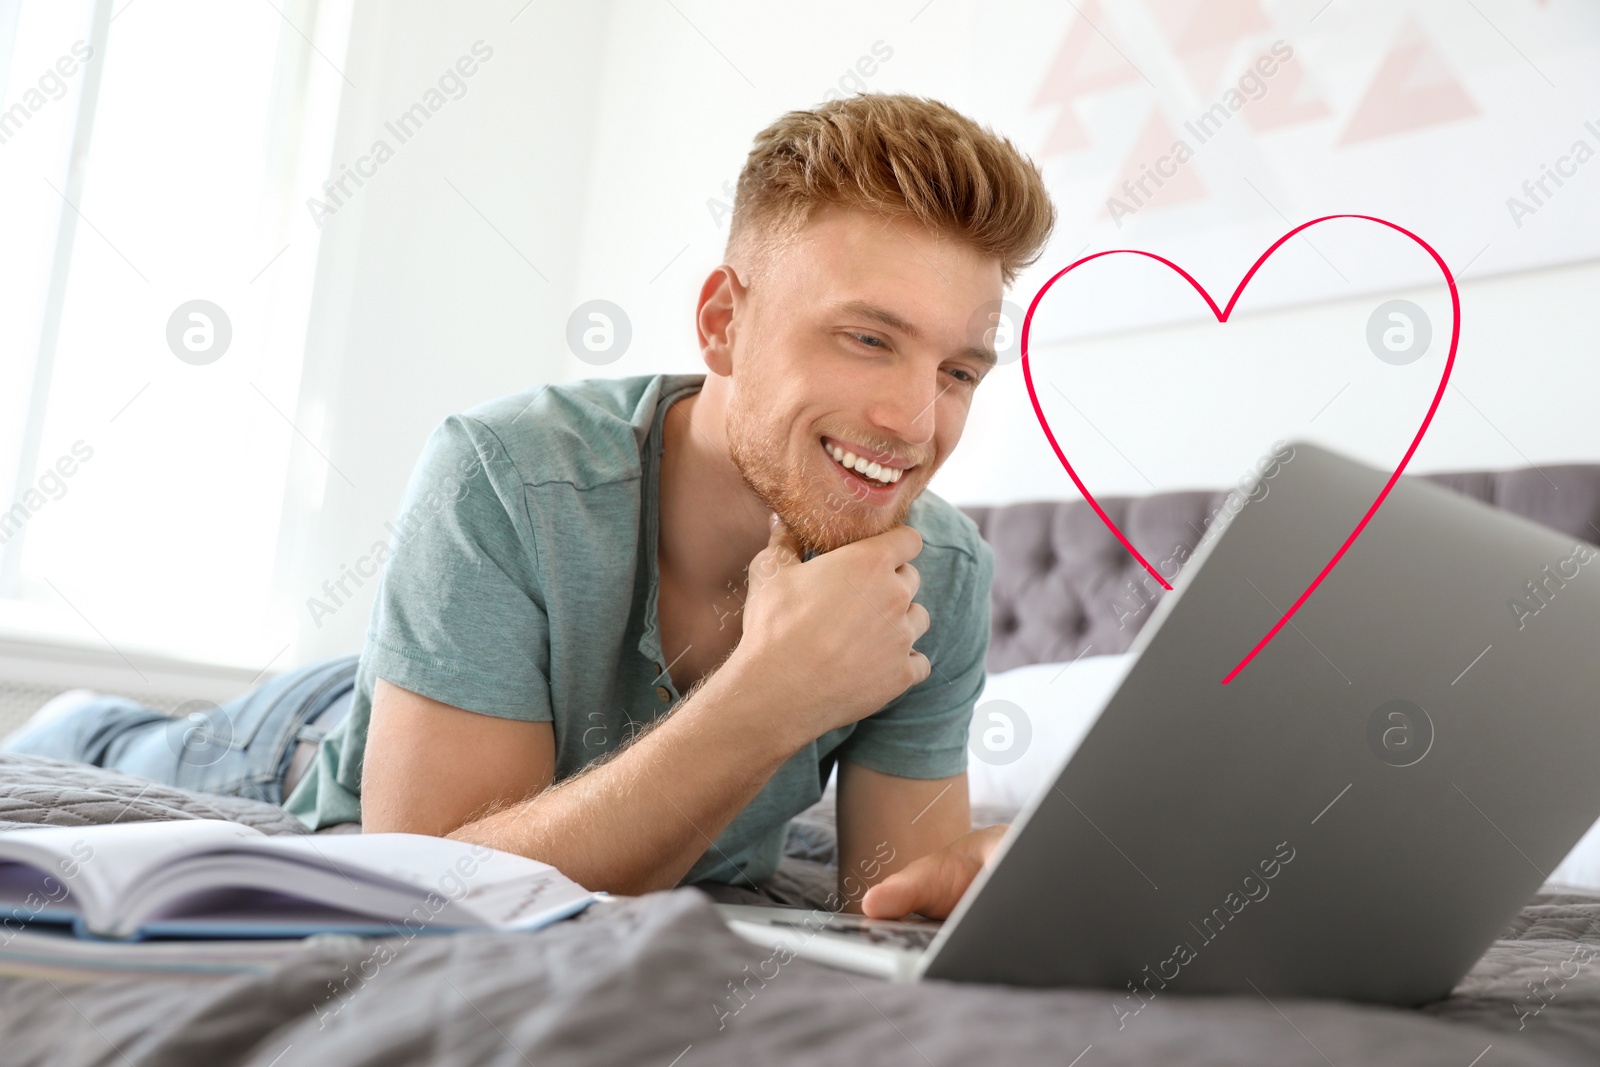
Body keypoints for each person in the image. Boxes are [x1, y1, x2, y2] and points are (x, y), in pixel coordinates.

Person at [5, 93, 1056, 920]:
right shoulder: (501, 471)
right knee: (105, 737)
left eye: (960, 370)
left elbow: (889, 890)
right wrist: (767, 695)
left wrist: (991, 871)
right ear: (724, 322)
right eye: (867, 338)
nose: (915, 420)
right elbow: (420, 878)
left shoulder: (938, 573)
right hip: (307, 739)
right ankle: (83, 715)